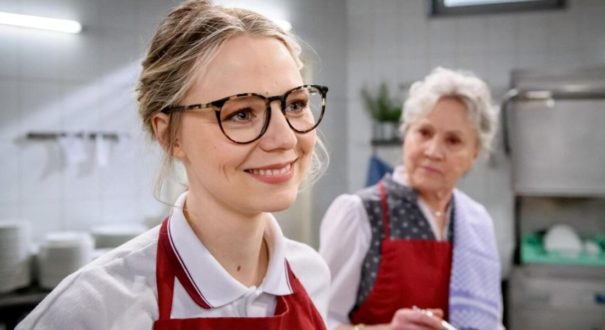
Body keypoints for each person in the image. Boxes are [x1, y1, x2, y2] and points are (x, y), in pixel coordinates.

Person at [18, 0, 331, 329]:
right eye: (241, 113)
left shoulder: (311, 273)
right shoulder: (95, 309)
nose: (285, 138)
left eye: (295, 104)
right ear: (169, 135)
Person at [320, 67, 503, 330]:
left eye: (453, 140)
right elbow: (316, 320)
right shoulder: (360, 213)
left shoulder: (476, 221)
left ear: (474, 154)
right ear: (406, 134)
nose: (433, 151)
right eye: (424, 133)